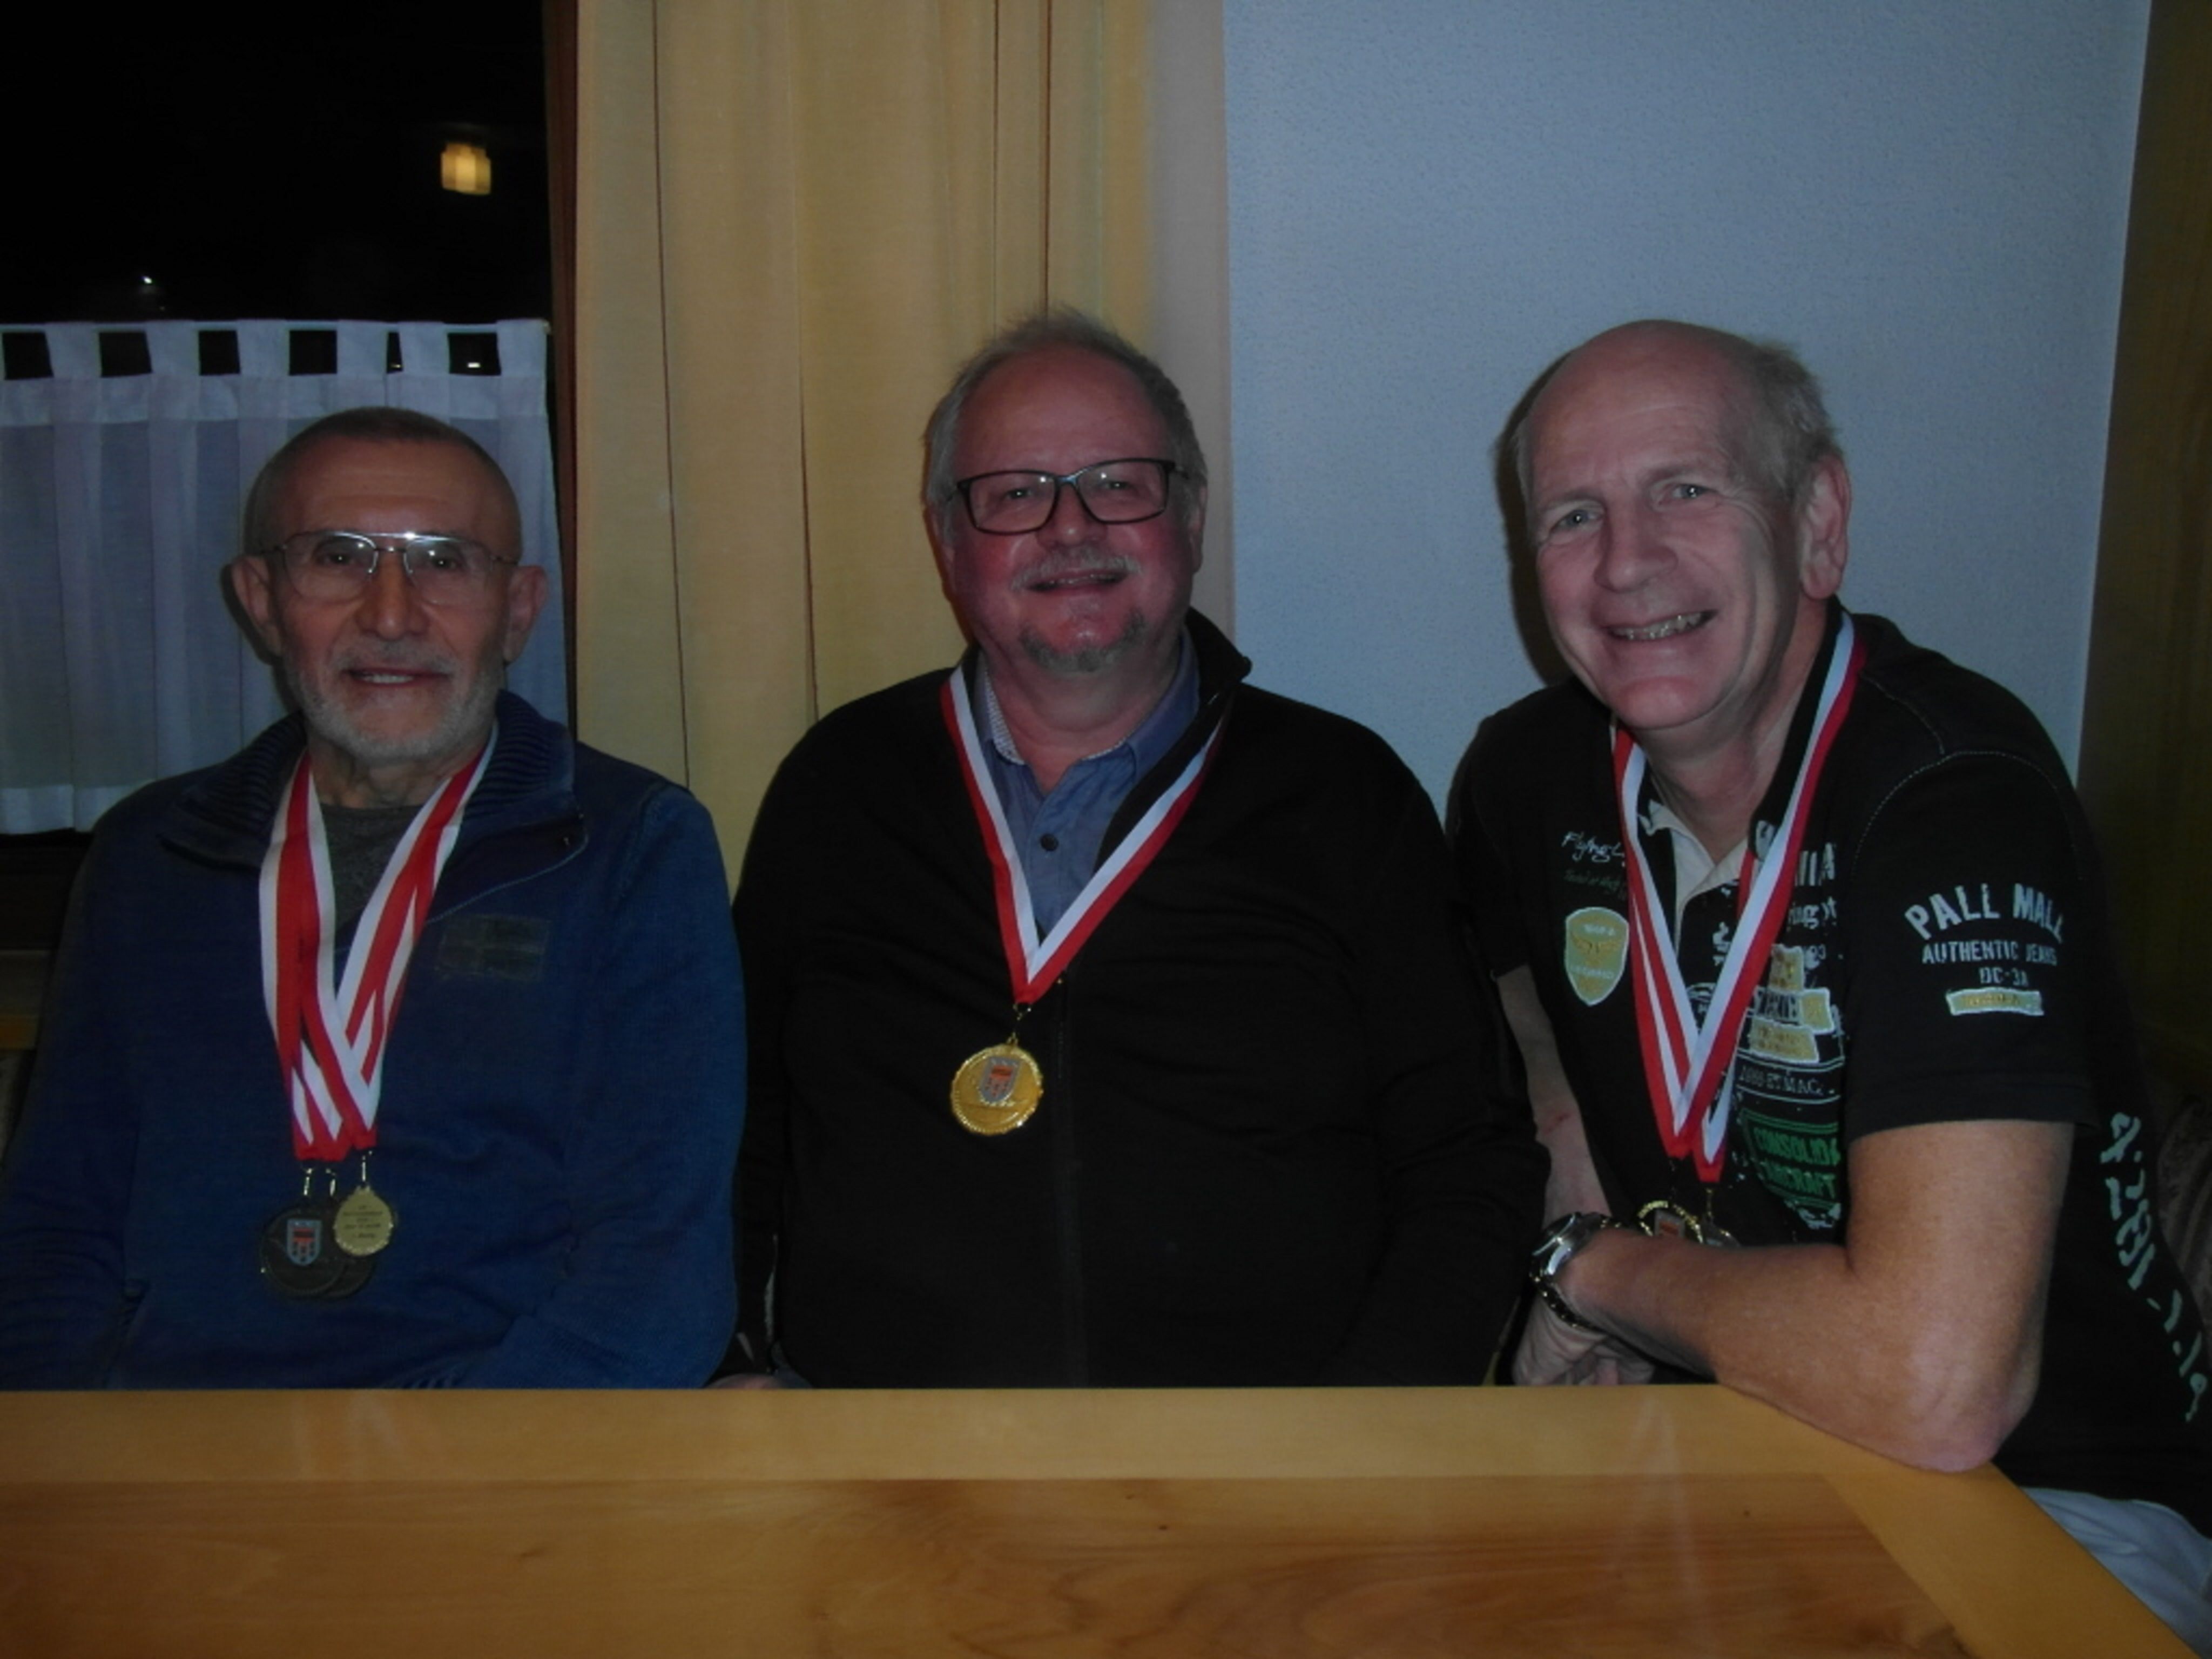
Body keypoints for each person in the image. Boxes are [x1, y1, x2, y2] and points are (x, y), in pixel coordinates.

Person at [1454, 319, 2212, 1649]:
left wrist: (1595, 1271)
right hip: (1712, 1446)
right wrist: (1563, 1109)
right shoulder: (1525, 775)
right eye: (1574, 514)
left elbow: (1937, 1385)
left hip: (2048, 1494)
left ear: (1816, 521)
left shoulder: (1950, 795)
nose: (1628, 563)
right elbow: (1504, 965)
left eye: (1685, 489)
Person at [727, 311, 1542, 1388]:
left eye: (1118, 482)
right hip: (890, 1472)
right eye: (1014, 494)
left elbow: (1462, 1159)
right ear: (945, 540)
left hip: (1256, 1478)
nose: (1069, 529)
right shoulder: (839, 785)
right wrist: (730, 1359)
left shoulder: (1342, 796)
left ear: (1192, 517)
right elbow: (732, 1129)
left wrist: (1365, 1437)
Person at [0, 408, 744, 1388]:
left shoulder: (632, 846)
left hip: (487, 1456)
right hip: (174, 1433)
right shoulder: (150, 853)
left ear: (518, 609)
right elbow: (57, 1223)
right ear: (262, 601)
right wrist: (90, 1464)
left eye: (444, 561)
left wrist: (433, 1485)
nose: (391, 612)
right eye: (338, 556)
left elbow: (659, 1271)